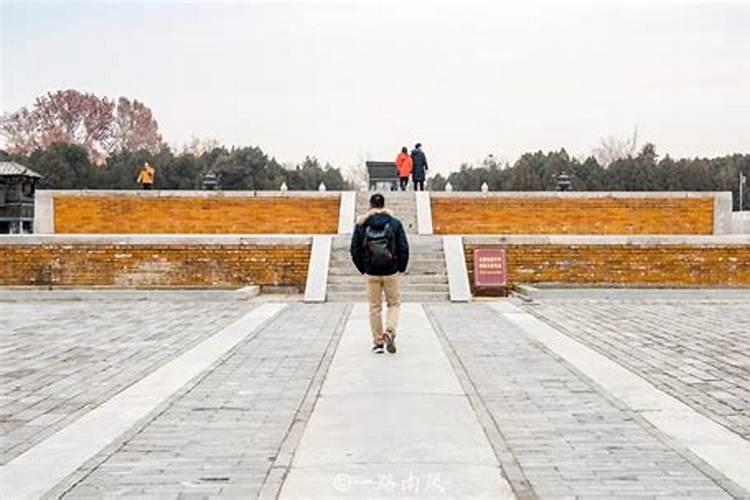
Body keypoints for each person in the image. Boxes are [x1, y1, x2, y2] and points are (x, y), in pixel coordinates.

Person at [350, 193, 409, 354]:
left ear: (370, 206)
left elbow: (354, 250)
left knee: (374, 307)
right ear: (384, 205)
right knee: (394, 304)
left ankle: (378, 342)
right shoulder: (395, 223)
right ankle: (389, 331)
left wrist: (363, 268)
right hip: (391, 271)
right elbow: (403, 247)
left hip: (371, 272)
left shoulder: (362, 224)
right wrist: (401, 267)